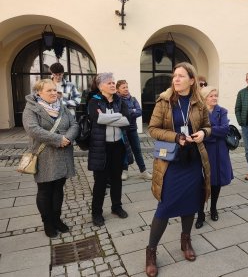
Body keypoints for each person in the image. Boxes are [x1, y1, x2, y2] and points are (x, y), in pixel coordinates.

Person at [145, 62, 211, 277]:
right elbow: (153, 129)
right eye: (175, 76)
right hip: (171, 162)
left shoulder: (199, 102)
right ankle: (151, 251)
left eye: (181, 76)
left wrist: (203, 133)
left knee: (190, 204)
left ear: (192, 80)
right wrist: (175, 137)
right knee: (165, 207)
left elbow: (208, 126)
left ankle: (185, 241)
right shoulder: (164, 101)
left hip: (193, 161)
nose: (176, 79)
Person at [22, 79, 79, 237]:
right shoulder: (31, 109)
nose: (54, 93)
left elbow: (74, 124)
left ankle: (57, 219)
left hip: (63, 155)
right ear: (39, 93)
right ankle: (47, 222)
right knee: (45, 191)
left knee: (58, 188)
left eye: (55, 90)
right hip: (44, 156)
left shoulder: (62, 106)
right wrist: (58, 140)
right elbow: (33, 130)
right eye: (50, 91)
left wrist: (67, 137)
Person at [88, 73, 134, 227]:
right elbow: (97, 119)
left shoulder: (120, 101)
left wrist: (110, 118)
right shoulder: (94, 101)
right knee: (100, 182)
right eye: (109, 83)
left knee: (116, 179)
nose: (113, 85)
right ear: (101, 86)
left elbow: (127, 121)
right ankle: (96, 213)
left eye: (113, 82)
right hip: (101, 147)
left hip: (118, 146)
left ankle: (117, 207)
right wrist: (118, 117)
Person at [195, 86, 233, 229]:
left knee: (216, 182)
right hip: (203, 150)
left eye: (216, 95)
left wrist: (206, 132)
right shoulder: (198, 111)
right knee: (201, 183)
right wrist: (210, 133)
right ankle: (200, 214)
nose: (214, 98)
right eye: (211, 96)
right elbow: (195, 129)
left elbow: (225, 129)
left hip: (219, 151)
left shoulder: (222, 111)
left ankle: (213, 208)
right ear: (204, 97)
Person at [116, 79, 152, 180]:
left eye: (127, 87)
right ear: (118, 89)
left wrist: (128, 112)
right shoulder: (117, 100)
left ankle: (143, 171)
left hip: (132, 129)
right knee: (124, 151)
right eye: (123, 87)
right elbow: (119, 113)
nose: (126, 89)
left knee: (137, 150)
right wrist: (132, 111)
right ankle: (125, 171)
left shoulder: (133, 99)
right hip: (122, 130)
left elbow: (139, 112)